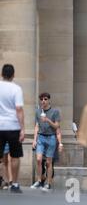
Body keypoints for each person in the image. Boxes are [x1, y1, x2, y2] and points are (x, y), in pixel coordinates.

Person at [0, 64, 25, 193]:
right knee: (15, 156)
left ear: (1, 74)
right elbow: (19, 109)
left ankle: (2, 179)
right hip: (13, 126)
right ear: (13, 75)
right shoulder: (16, 89)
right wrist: (23, 129)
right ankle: (14, 183)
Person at [30, 92, 61, 192]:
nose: (43, 101)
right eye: (42, 99)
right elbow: (36, 126)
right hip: (41, 137)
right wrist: (34, 140)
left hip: (51, 137)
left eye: (45, 99)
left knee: (48, 162)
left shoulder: (55, 111)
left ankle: (48, 183)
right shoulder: (38, 111)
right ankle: (39, 181)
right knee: (39, 159)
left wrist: (47, 120)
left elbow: (57, 126)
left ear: (49, 100)